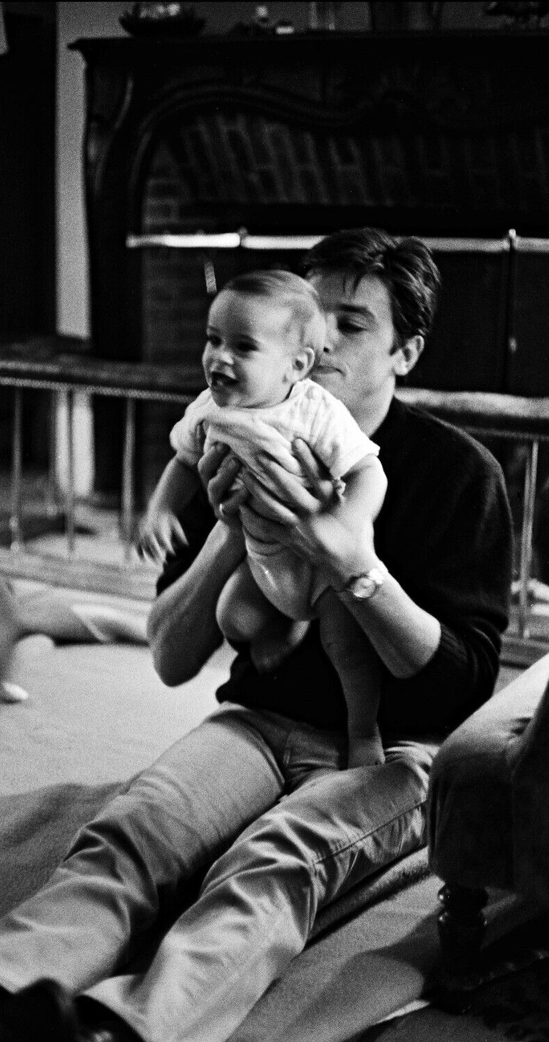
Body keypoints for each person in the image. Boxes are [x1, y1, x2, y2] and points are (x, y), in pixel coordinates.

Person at [0, 228, 513, 1042]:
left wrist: (353, 562)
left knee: (273, 860)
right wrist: (228, 531)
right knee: (136, 829)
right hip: (259, 720)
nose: (321, 342)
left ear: (406, 352)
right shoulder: (235, 429)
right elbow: (171, 657)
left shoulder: (459, 473)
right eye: (309, 316)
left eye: (351, 324)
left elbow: (464, 687)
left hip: (393, 748)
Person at [139, 269, 388, 766]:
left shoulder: (314, 411)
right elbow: (184, 462)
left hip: (322, 565)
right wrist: (161, 509)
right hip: (260, 559)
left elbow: (369, 472)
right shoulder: (208, 408)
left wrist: (345, 531)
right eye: (213, 339)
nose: (219, 358)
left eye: (243, 347)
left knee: (348, 648)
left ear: (297, 366)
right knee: (232, 615)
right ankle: (285, 627)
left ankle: (363, 730)